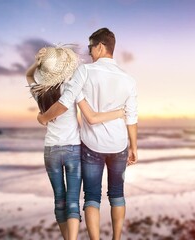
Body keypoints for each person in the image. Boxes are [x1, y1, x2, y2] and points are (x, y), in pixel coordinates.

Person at [37, 28, 138, 240]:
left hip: (92, 146)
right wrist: (134, 147)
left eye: (91, 46)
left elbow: (65, 102)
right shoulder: (128, 79)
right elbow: (132, 117)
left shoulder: (85, 72)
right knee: (117, 194)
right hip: (119, 145)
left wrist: (44, 118)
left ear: (101, 46)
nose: (89, 51)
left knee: (92, 196)